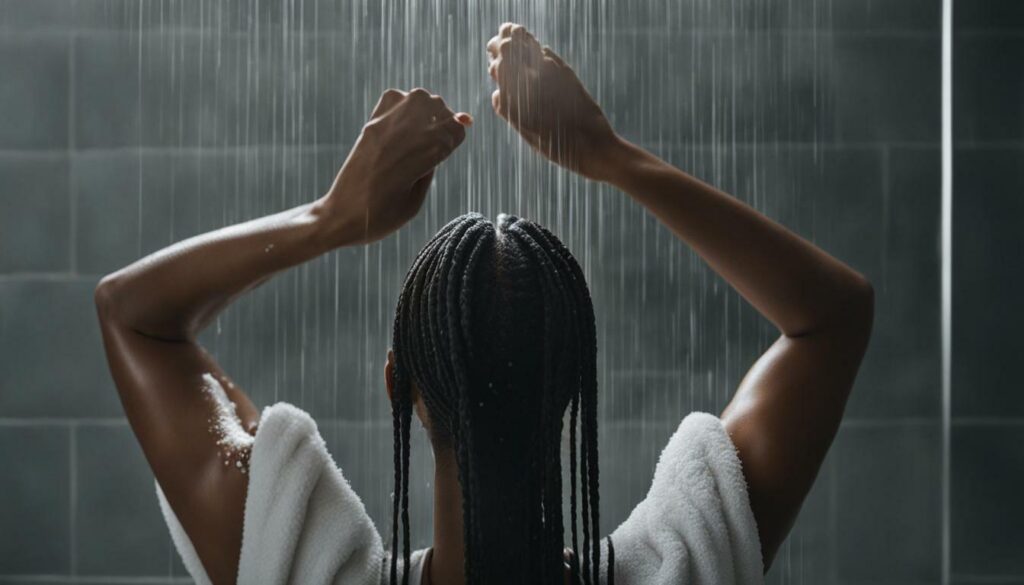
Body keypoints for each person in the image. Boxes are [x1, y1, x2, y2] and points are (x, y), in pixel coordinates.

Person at [94, 22, 873, 585]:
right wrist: (611, 156)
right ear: (575, 381)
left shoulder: (294, 561)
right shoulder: (681, 566)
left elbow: (136, 315)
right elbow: (832, 317)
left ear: (399, 384)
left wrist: (328, 219)